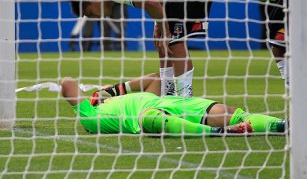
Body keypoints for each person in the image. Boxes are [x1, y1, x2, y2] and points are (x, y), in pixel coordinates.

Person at [70, 0, 218, 97]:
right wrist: (160, 25)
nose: (95, 18)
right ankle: (168, 96)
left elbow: (151, 2)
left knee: (173, 41)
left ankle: (185, 102)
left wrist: (166, 31)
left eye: (90, 13)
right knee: (162, 41)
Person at [61, 74, 286, 136]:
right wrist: (96, 97)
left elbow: (154, 79)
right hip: (149, 117)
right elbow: (67, 83)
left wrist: (110, 91)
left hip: (170, 103)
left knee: (234, 114)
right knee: (150, 117)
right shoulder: (89, 117)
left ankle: (282, 125)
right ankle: (219, 132)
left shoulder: (113, 100)